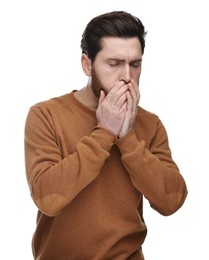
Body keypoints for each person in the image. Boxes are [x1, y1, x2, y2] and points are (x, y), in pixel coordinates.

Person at [24, 10, 188, 260]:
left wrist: (128, 138)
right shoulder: (46, 115)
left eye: (135, 64)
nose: (127, 76)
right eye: (114, 64)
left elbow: (171, 201)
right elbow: (47, 199)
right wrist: (105, 132)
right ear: (87, 65)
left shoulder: (150, 124)